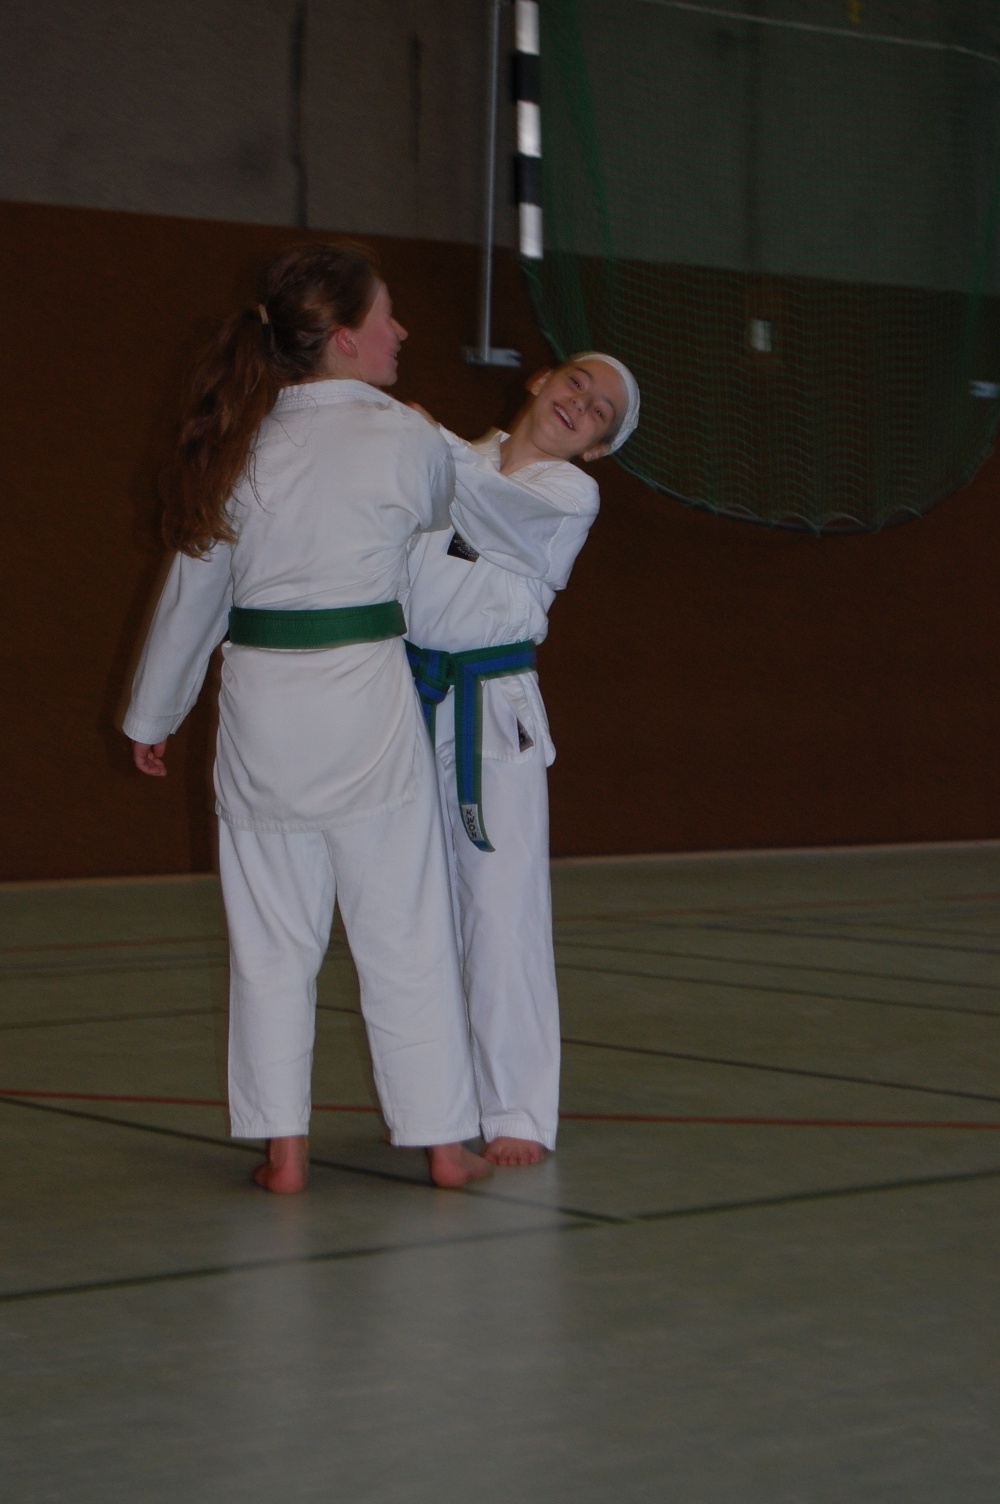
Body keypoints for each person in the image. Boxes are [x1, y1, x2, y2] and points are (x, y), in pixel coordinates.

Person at [123, 242, 492, 1193]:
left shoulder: (237, 444)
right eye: (387, 316)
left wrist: (153, 714)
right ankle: (442, 1144)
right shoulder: (406, 437)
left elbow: (192, 595)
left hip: (263, 715)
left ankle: (284, 1152)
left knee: (271, 941)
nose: (401, 330)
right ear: (343, 338)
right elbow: (437, 526)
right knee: (404, 931)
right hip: (365, 707)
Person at [403, 354, 640, 1166]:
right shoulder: (450, 455)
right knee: (411, 915)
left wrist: (418, 437)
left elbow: (492, 508)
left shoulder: (568, 495)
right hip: (405, 699)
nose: (581, 404)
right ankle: (434, 1099)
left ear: (597, 448)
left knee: (500, 913)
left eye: (600, 412)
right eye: (576, 383)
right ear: (540, 379)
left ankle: (519, 1111)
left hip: (492, 715)